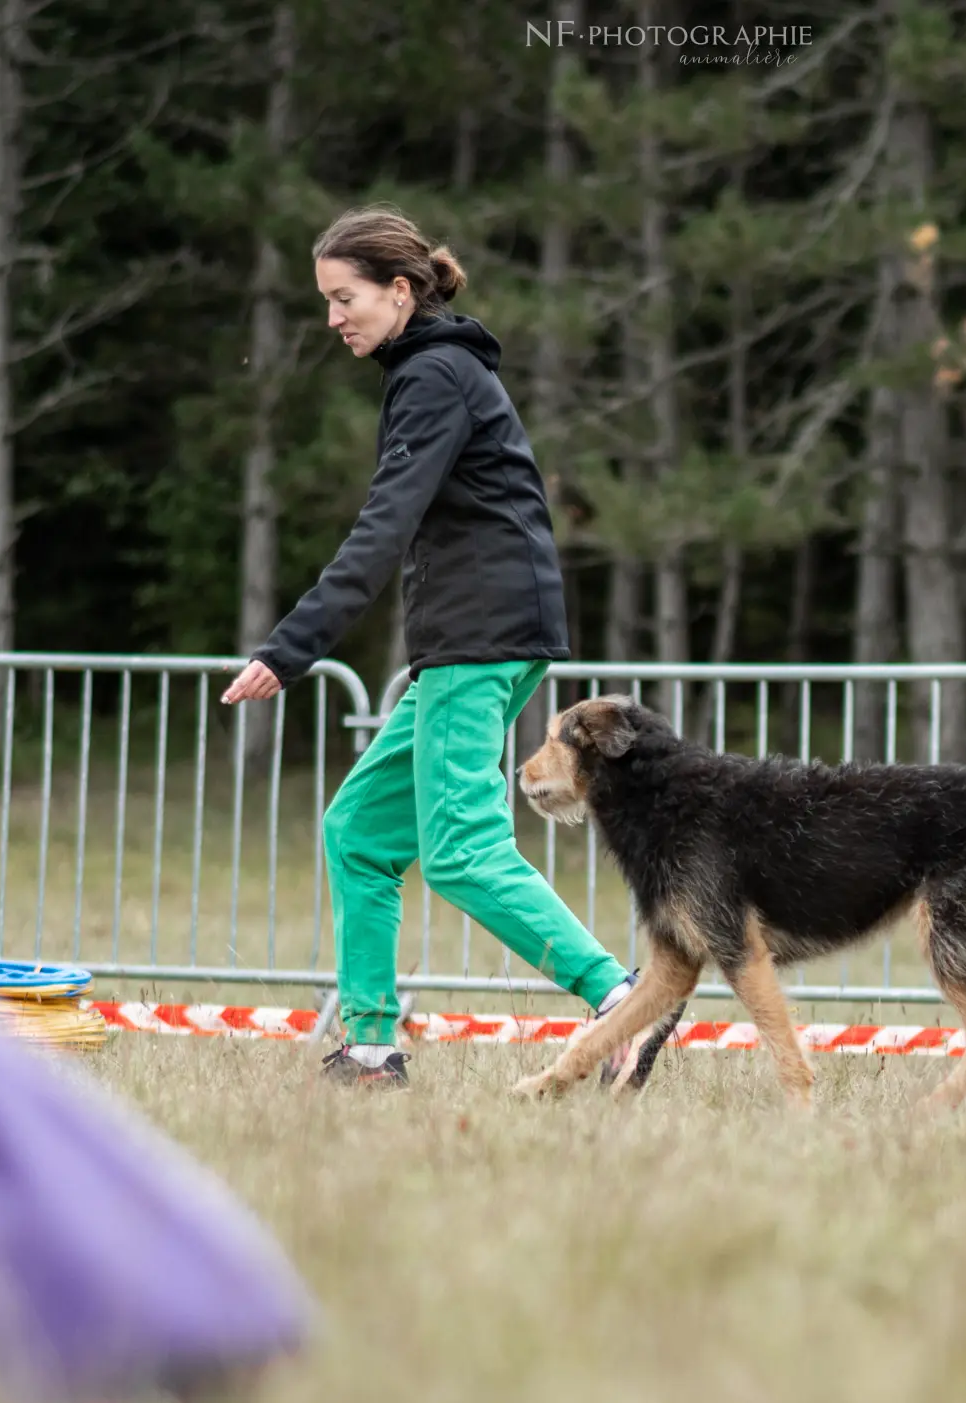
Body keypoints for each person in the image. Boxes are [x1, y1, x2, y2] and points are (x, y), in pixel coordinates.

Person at [222, 204, 681, 1091]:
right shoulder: (431, 370)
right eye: (325, 300)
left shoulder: (435, 374)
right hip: (476, 635)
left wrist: (291, 646)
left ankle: (622, 1001)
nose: (332, 318)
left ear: (400, 292)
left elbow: (384, 523)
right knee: (358, 831)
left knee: (464, 849)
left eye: (344, 297)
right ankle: (367, 1048)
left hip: (482, 635)